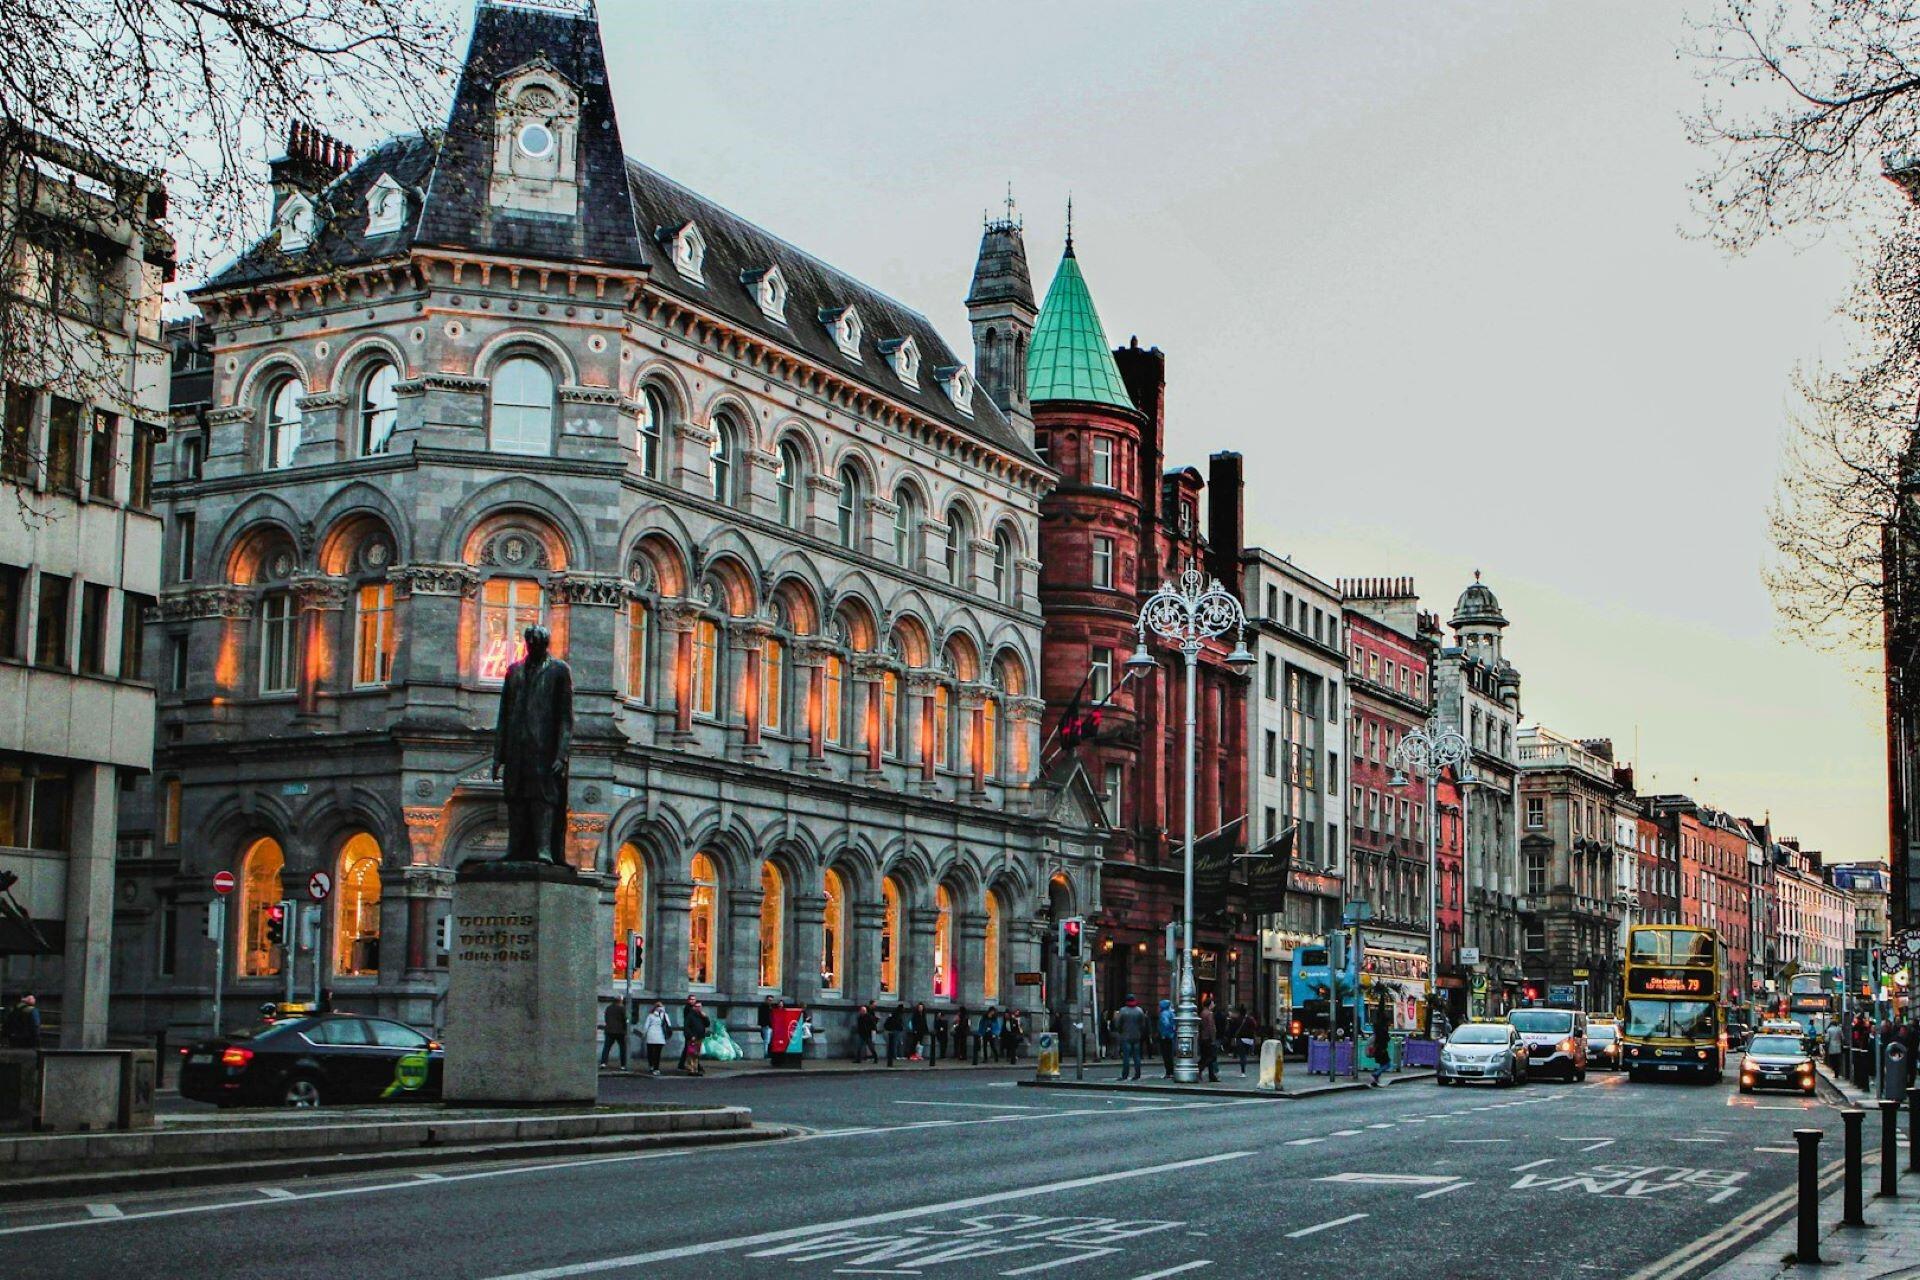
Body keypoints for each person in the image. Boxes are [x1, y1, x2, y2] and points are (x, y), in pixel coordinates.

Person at [1114, 995, 1148, 1081]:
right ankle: (1137, 1074)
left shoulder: (1123, 1010)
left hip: (1126, 1036)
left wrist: (1120, 1031)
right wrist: (1140, 1032)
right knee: (1137, 1056)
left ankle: (1125, 1075)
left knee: (1126, 1057)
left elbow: (1118, 1024)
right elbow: (1143, 1024)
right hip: (1136, 1036)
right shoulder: (1139, 1010)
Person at [678, 997, 708, 1075]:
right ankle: (691, 1069)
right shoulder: (690, 1015)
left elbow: (707, 1024)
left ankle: (695, 1069)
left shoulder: (701, 1015)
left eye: (700, 1007)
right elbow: (686, 1027)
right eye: (697, 1006)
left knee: (696, 1054)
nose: (699, 1008)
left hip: (700, 1037)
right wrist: (691, 1035)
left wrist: (705, 1017)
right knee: (691, 1054)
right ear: (694, 1007)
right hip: (692, 1037)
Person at [1368, 994, 1392, 1087]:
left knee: (1383, 1064)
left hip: (1378, 1048)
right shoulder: (1383, 1029)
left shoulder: (1377, 1027)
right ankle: (1376, 1074)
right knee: (1387, 1064)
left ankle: (1375, 1080)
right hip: (1381, 1049)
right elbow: (1385, 1039)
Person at [641, 1001, 671, 1076]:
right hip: (660, 1036)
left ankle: (651, 1065)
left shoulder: (650, 1015)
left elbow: (646, 1026)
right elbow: (669, 1025)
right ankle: (656, 1068)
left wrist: (644, 1034)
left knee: (650, 1052)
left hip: (651, 1036)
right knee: (657, 1054)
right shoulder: (665, 1015)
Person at [1230, 1004, 1259, 1076]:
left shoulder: (1237, 1020)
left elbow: (1232, 1029)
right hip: (1249, 1040)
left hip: (1240, 1039)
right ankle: (1244, 1068)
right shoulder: (1250, 1019)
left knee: (1242, 1055)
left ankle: (1243, 1071)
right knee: (1244, 1055)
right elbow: (1255, 1027)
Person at [600, 998, 630, 1069]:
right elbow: (625, 1019)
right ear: (620, 1001)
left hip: (609, 1030)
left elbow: (606, 1018)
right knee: (623, 1048)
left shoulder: (609, 1008)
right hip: (620, 1031)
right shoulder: (622, 1008)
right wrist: (626, 1029)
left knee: (606, 1047)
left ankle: (603, 1063)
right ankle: (623, 1065)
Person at [1197, 997, 1220, 1083]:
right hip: (1208, 1038)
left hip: (1203, 1038)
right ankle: (1199, 1069)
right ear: (1210, 1004)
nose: (1214, 1005)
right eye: (1213, 1003)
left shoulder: (1202, 1013)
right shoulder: (1209, 1014)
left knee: (1205, 1056)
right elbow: (1211, 1027)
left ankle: (1212, 1076)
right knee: (1211, 1057)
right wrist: (1213, 1039)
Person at [1158, 999, 1177, 1078]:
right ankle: (1171, 1072)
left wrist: (1164, 1034)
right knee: (1170, 1055)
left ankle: (1168, 1072)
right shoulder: (1172, 1013)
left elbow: (1165, 1024)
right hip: (1172, 1036)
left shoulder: (1163, 1014)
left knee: (1166, 1056)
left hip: (1165, 1037)